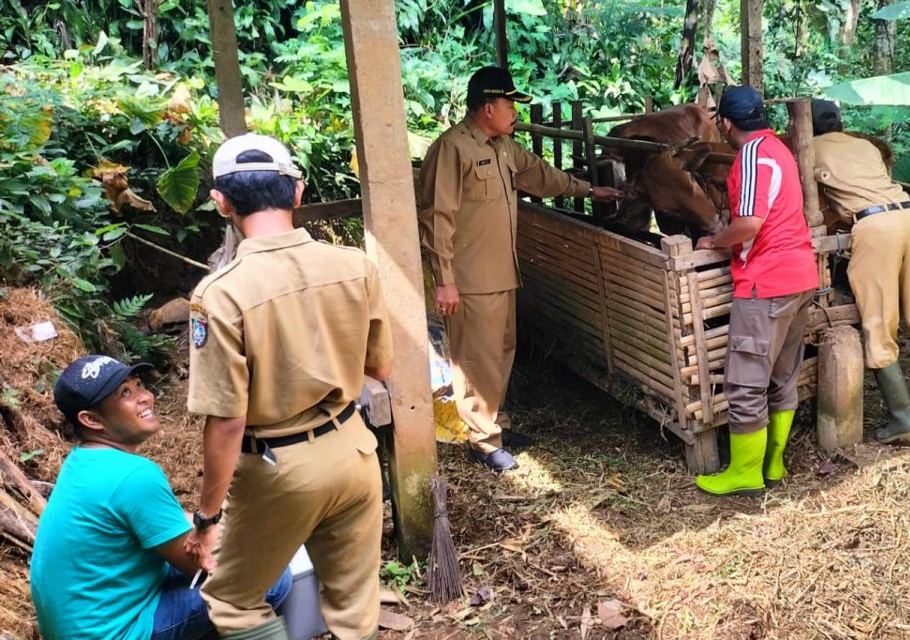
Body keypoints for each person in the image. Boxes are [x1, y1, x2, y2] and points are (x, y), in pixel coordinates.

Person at [186, 133, 393, 639]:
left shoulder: (220, 294)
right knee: (354, 605)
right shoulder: (355, 267)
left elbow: (228, 419)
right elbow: (380, 369)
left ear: (222, 202)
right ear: (297, 194)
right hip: (354, 450)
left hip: (279, 468)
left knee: (234, 602)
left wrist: (208, 515)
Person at [418, 66, 623, 472]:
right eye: (510, 104)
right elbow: (437, 216)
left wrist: (587, 189)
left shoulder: (504, 146)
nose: (515, 112)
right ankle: (481, 440)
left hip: (501, 274)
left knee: (500, 353)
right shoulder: (452, 149)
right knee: (476, 360)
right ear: (489, 107)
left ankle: (496, 423)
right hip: (469, 279)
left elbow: (540, 175)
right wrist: (445, 281)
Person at [30, 355, 291, 640]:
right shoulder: (133, 477)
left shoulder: (83, 461)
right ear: (91, 420)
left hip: (84, 622)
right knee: (271, 576)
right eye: (125, 394)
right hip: (119, 631)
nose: (146, 397)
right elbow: (202, 561)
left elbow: (172, 527)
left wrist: (218, 526)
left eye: (138, 384)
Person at [811, 100, 910, 443]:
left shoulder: (808, 152)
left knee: (879, 324)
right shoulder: (865, 145)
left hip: (875, 226)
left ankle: (903, 420)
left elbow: (813, 204)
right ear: (840, 123)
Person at [694, 86, 820, 496]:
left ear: (726, 124)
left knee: (747, 380)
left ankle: (745, 472)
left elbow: (749, 223)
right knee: (783, 375)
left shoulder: (752, 156)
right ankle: (774, 464)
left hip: (766, 281)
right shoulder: (781, 149)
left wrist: (715, 241)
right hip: (799, 277)